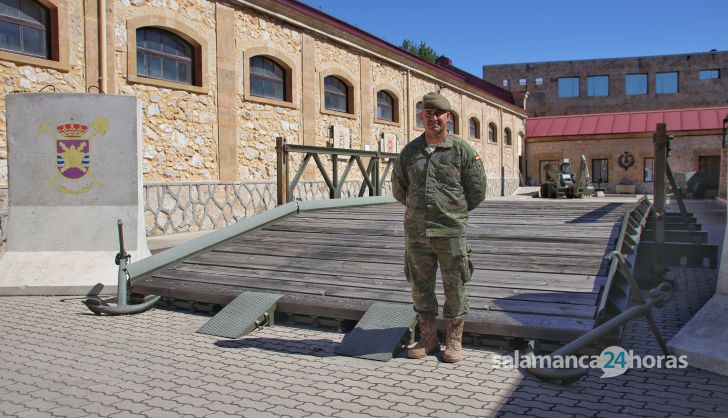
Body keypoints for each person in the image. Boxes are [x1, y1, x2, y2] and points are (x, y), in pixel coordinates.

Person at [391, 92, 487, 363]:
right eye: (427, 113)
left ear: (448, 117)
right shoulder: (410, 152)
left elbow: (477, 190)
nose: (433, 118)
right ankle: (428, 339)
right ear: (421, 117)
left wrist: (453, 212)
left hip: (450, 231)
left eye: (438, 114)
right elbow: (399, 188)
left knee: (455, 285)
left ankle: (454, 341)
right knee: (421, 286)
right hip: (417, 232)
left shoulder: (461, 151)